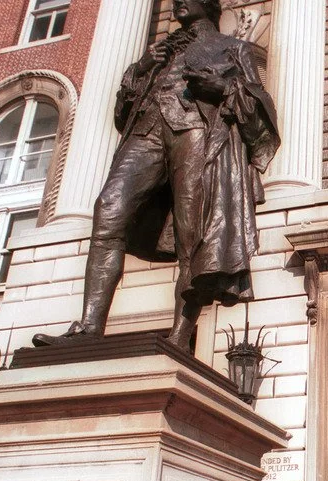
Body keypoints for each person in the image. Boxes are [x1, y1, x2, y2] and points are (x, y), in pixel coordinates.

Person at [33, 0, 279, 351]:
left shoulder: (233, 47)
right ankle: (88, 326)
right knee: (108, 208)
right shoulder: (159, 53)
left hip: (195, 132)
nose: (177, 1)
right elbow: (122, 115)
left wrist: (223, 88)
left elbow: (262, 113)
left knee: (191, 231)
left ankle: (180, 335)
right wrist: (141, 69)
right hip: (147, 131)